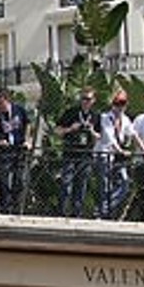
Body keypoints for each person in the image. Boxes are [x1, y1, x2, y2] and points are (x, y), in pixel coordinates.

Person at [92, 89, 142, 219]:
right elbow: (109, 138)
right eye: (117, 103)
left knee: (125, 184)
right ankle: (104, 213)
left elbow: (134, 135)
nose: (120, 107)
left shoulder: (125, 119)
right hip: (104, 154)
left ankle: (102, 209)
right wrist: (120, 150)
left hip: (118, 158)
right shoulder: (105, 117)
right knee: (105, 185)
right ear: (112, 104)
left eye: (123, 103)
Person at [55, 88, 98, 218]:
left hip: (85, 155)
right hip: (70, 153)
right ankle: (62, 212)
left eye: (88, 99)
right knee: (66, 183)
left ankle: (76, 213)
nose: (85, 102)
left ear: (93, 101)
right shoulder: (71, 112)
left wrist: (91, 131)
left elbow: (99, 137)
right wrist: (70, 129)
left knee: (81, 185)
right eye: (83, 99)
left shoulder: (96, 115)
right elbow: (57, 130)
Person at [0, 87, 31, 214]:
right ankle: (5, 208)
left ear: (7, 101)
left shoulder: (19, 110)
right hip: (4, 151)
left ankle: (17, 208)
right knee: (3, 180)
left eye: (0, 103)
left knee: (19, 180)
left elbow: (28, 124)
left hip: (19, 149)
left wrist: (27, 140)